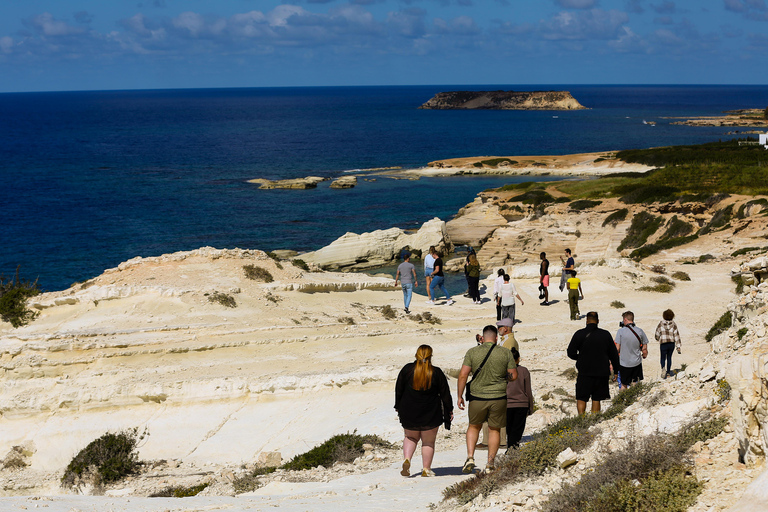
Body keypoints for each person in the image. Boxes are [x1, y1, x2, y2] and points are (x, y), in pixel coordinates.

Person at [457, 325, 518, 474]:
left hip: (477, 397)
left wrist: (459, 395)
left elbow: (463, 375)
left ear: (483, 338)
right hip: (498, 397)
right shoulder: (505, 353)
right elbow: (514, 376)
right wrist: (503, 377)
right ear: (496, 338)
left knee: (473, 426)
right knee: (494, 429)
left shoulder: (472, 352)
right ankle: (490, 463)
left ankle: (470, 457)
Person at [395, 345, 454, 478]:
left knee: (410, 437)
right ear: (430, 356)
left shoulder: (407, 370)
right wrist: (449, 410)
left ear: (416, 355)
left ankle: (407, 459)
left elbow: (399, 389)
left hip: (409, 411)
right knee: (428, 442)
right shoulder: (436, 372)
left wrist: (398, 406)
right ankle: (426, 469)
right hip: (431, 412)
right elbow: (445, 394)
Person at [567, 311, 620, 415]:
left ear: (586, 321)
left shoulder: (579, 334)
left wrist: (580, 358)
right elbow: (614, 355)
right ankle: (593, 419)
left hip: (584, 371)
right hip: (601, 371)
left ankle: (581, 418)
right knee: (597, 397)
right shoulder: (605, 334)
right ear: (598, 321)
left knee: (581, 397)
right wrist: (616, 371)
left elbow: (570, 352)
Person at [506, 347, 533, 450]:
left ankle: (511, 448)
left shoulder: (504, 371)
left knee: (509, 429)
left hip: (507, 404)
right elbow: (528, 390)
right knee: (518, 429)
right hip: (522, 404)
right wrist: (531, 406)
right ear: (518, 359)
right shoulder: (524, 371)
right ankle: (513, 448)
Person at [615, 311, 649, 388]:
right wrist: (644, 354)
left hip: (624, 363)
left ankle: (623, 399)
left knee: (623, 384)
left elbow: (617, 348)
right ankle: (634, 398)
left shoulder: (620, 331)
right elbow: (645, 347)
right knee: (635, 383)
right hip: (636, 362)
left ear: (625, 319)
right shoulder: (640, 331)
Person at [655, 309, 682, 379]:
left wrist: (657, 338)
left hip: (663, 343)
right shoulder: (674, 324)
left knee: (663, 357)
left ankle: (663, 368)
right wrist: (678, 346)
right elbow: (676, 335)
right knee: (669, 357)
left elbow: (657, 333)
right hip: (671, 343)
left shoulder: (660, 324)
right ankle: (668, 373)